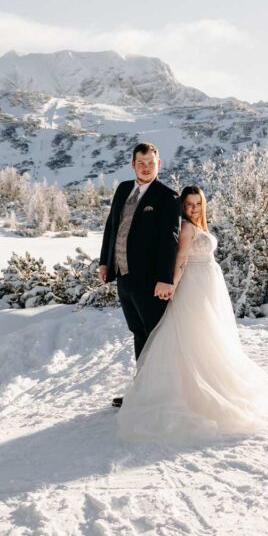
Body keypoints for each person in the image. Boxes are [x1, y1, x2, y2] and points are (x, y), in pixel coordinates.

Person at [117, 185, 268, 442]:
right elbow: (180, 258)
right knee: (196, 335)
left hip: (207, 286)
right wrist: (171, 286)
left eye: (197, 204)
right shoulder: (185, 227)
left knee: (210, 335)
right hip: (193, 285)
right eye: (188, 204)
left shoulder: (199, 225)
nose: (193, 208)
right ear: (182, 206)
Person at [98, 142, 181, 407]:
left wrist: (165, 279)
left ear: (159, 164)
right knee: (138, 332)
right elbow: (112, 226)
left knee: (155, 335)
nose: (146, 168)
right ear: (133, 164)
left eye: (151, 163)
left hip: (151, 282)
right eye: (141, 163)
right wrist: (104, 263)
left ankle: (161, 393)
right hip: (124, 276)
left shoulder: (168, 197)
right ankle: (143, 389)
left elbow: (170, 241)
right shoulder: (123, 189)